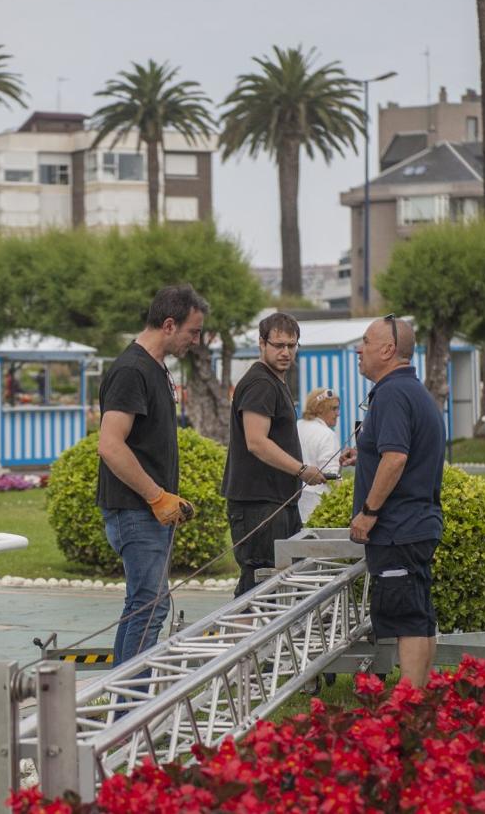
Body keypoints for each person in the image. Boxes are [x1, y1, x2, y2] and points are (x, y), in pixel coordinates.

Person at [97, 284, 208, 665]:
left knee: (143, 606)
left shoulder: (156, 368)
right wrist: (156, 496)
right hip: (134, 510)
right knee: (150, 607)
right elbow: (110, 445)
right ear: (168, 324)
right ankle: (131, 710)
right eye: (193, 331)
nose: (196, 340)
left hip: (147, 511)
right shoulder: (131, 369)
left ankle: (125, 707)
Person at [339, 315, 445, 688]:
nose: (359, 349)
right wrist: (363, 454)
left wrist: (368, 513)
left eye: (366, 341)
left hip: (399, 529)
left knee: (408, 618)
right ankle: (419, 697)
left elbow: (396, 458)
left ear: (387, 350)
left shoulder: (393, 394)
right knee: (418, 614)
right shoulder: (410, 391)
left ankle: (409, 703)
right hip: (415, 526)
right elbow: (394, 450)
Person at [223, 312, 327, 596]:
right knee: (259, 585)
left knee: (275, 586)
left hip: (276, 501)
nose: (285, 352)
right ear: (261, 343)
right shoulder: (261, 383)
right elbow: (256, 442)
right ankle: (241, 641)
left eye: (291, 346)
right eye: (278, 345)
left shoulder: (274, 381)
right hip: (259, 504)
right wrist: (301, 470)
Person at [297, 388, 342, 522]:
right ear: (320, 409)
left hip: (294, 504)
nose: (338, 413)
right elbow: (332, 478)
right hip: (318, 508)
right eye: (334, 409)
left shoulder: (297, 426)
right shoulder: (327, 435)